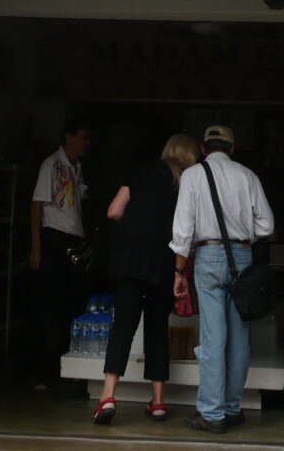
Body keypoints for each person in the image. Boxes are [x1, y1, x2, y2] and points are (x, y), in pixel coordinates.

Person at [170, 125, 274, 433]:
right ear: (232, 148)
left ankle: (212, 414)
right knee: (239, 338)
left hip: (206, 257)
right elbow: (266, 226)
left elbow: (182, 230)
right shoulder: (247, 176)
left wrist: (179, 272)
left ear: (203, 149)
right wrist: (242, 236)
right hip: (242, 259)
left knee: (213, 339)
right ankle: (231, 408)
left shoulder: (192, 175)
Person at [93, 133, 201, 425]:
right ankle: (158, 402)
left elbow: (113, 211)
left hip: (130, 260)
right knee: (157, 329)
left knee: (123, 327)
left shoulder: (142, 170)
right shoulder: (187, 183)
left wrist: (136, 225)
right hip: (164, 263)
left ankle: (107, 396)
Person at [28, 119, 92, 391]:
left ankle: (67, 369)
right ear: (68, 137)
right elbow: (36, 207)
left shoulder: (76, 167)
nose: (86, 142)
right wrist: (36, 248)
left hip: (73, 240)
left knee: (72, 305)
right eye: (82, 137)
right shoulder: (51, 164)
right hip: (53, 239)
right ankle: (41, 372)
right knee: (48, 307)